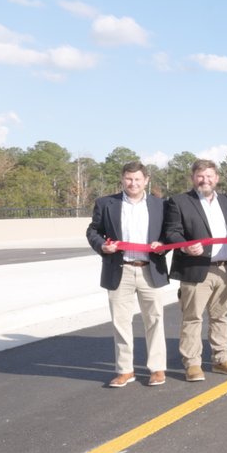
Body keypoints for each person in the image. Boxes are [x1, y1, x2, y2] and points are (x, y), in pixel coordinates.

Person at [87, 161, 170, 388]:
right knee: (121, 323)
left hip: (149, 269)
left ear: (146, 180)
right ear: (122, 179)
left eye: (137, 179)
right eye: (128, 179)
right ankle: (125, 370)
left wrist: (162, 243)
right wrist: (102, 246)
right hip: (119, 269)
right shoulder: (106, 204)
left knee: (154, 320)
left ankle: (157, 369)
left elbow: (170, 233)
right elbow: (93, 231)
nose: (132, 183)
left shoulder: (160, 205)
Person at [163, 159, 227, 382]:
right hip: (196, 269)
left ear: (216, 178)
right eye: (200, 175)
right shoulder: (179, 202)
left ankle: (221, 359)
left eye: (209, 176)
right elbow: (172, 232)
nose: (205, 180)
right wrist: (185, 246)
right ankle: (192, 363)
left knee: (220, 317)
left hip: (225, 268)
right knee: (192, 318)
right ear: (192, 178)